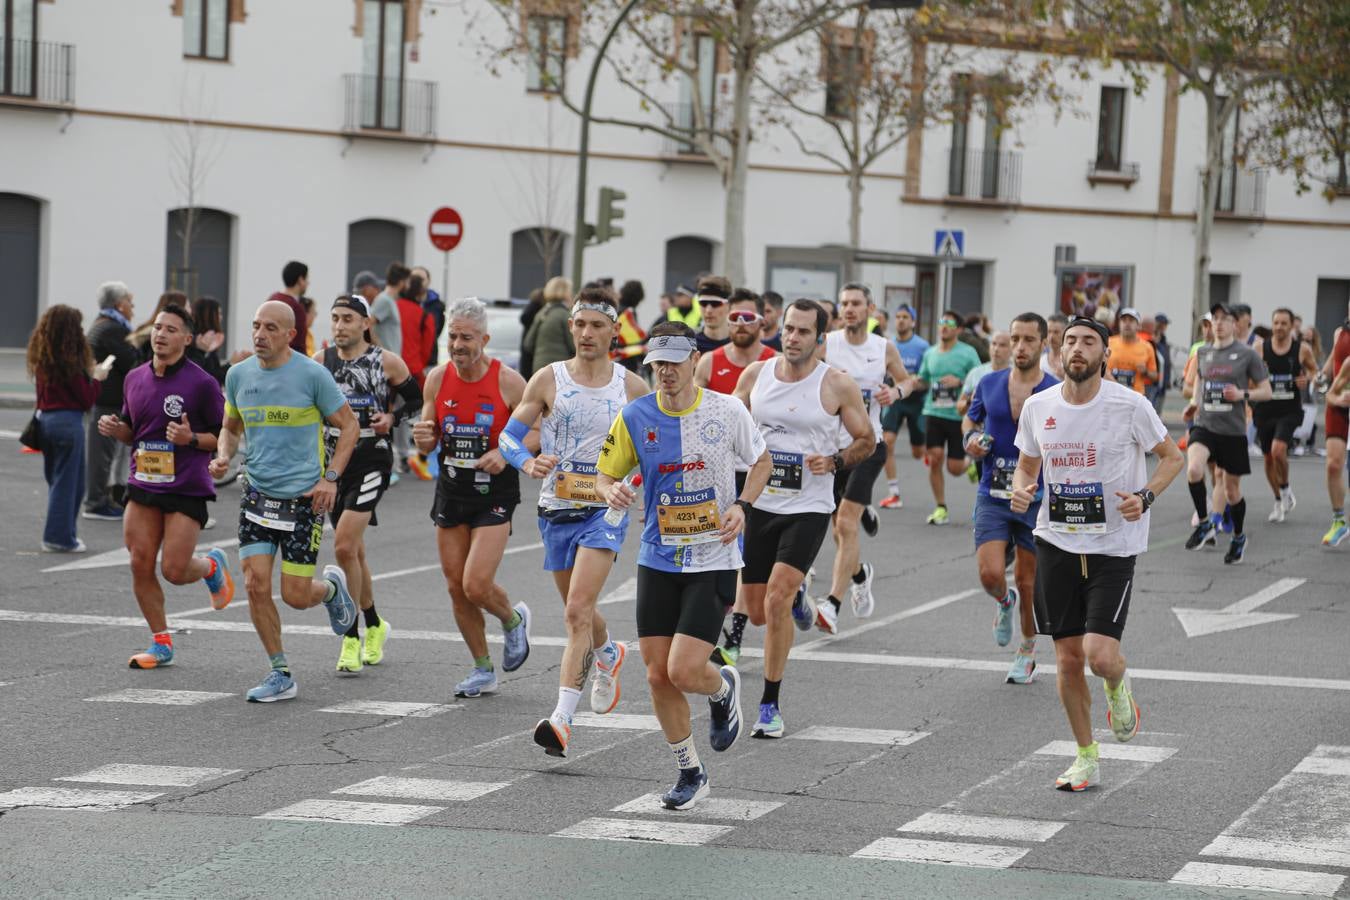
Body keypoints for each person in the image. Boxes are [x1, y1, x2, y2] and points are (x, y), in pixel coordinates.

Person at [596, 321, 771, 810]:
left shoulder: (727, 409)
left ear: (695, 359)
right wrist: (610, 491)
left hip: (713, 556)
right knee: (657, 676)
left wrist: (743, 506)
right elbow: (604, 475)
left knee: (684, 669)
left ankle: (721, 687)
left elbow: (761, 461)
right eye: (657, 364)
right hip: (658, 556)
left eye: (674, 362)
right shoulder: (635, 416)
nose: (665, 372)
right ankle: (690, 771)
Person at [1010, 315, 1183, 791]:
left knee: (1100, 656)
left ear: (1105, 354)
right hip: (1056, 542)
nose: (1078, 348)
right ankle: (1086, 755)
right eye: (1070, 341)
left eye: (1089, 342)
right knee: (1068, 661)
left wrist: (1145, 496)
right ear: (1059, 350)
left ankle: (1116, 684)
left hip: (1113, 547)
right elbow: (1026, 466)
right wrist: (1022, 488)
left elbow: (1173, 458)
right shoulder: (1039, 406)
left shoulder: (1130, 406)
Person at [498, 289, 649, 755]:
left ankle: (562, 719)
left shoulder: (631, 388)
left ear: (614, 331)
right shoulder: (548, 379)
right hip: (557, 508)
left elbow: (655, 449)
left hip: (605, 511)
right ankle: (609, 652)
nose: (587, 333)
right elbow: (508, 437)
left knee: (575, 612)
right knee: (579, 610)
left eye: (597, 325)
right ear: (571, 327)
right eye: (580, 324)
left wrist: (636, 485)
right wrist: (527, 462)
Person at [733, 300, 873, 737]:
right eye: (789, 329)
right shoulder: (755, 376)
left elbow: (867, 439)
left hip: (808, 507)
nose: (792, 338)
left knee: (775, 598)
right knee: (758, 612)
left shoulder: (836, 385)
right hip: (760, 502)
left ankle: (769, 705)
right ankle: (800, 601)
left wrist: (835, 461)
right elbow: (728, 425)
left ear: (820, 338)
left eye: (803, 331)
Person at [209, 300, 361, 702]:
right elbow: (230, 427)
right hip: (257, 494)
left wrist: (331, 479)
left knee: (295, 595)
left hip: (303, 498)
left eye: (271, 328)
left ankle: (329, 591)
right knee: (255, 583)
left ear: (291, 335)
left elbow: (349, 426)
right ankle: (280, 672)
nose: (260, 335)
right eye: (256, 326)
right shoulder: (238, 375)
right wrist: (224, 455)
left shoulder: (312, 375)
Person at [96, 304, 233, 668]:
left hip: (186, 484)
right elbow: (133, 432)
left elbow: (224, 435)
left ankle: (210, 567)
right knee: (140, 562)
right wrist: (117, 429)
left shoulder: (202, 383)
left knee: (174, 570)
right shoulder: (134, 378)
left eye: (171, 329)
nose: (161, 334)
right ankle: (160, 642)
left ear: (187, 339)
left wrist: (191, 438)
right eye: (158, 327)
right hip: (144, 482)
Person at [413, 297, 532, 698]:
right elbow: (427, 435)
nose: (458, 345)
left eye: (466, 338)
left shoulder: (508, 382)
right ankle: (482, 668)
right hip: (452, 490)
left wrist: (506, 453)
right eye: (453, 337)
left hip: (494, 493)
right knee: (455, 586)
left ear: (484, 339)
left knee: (476, 584)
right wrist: (423, 438)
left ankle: (512, 620)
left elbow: (537, 431)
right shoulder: (437, 378)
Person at [316, 296, 423, 674]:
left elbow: (416, 400)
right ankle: (375, 624)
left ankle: (350, 637)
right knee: (355, 552)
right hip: (334, 463)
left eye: (348, 318)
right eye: (335, 318)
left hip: (372, 458)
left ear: (365, 323)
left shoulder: (385, 361)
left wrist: (391, 419)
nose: (339, 325)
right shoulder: (320, 362)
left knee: (344, 545)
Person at [961, 314, 1058, 684]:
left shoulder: (1055, 390)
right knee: (989, 574)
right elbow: (970, 422)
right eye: (1015, 338)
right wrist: (971, 440)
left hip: (1036, 497)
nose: (1020, 346)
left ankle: (1027, 651)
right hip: (993, 493)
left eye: (1029, 340)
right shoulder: (989, 383)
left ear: (1043, 344)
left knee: (1028, 580)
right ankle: (1004, 601)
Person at [815, 283, 913, 634]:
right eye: (844, 303)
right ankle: (859, 574)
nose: (849, 309)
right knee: (839, 531)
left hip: (868, 444)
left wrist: (895, 392)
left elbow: (907, 381)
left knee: (845, 523)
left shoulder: (883, 347)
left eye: (856, 303)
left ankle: (832, 604)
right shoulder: (827, 343)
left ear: (870, 308)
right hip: (832, 449)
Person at [1182, 303, 1273, 563]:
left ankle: (1239, 537)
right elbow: (1200, 381)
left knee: (1232, 491)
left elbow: (1266, 392)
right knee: (1194, 470)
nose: (1219, 323)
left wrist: (1242, 394)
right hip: (1205, 425)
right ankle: (1204, 523)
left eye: (1224, 319)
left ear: (1235, 324)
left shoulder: (1247, 354)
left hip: (1232, 431)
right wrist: (1194, 404)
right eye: (1215, 319)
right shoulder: (1203, 352)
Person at [29, 305, 113, 552]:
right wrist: (97, 378)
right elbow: (86, 398)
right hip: (68, 422)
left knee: (61, 482)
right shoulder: (71, 360)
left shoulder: (44, 356)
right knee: (69, 485)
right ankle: (58, 538)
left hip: (45, 421)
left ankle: (65, 535)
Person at [913, 310, 983, 525]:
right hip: (933, 412)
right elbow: (923, 379)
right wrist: (909, 383)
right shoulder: (930, 353)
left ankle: (968, 464)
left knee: (954, 468)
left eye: (949, 323)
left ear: (959, 329)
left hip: (957, 416)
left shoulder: (968, 353)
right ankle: (940, 507)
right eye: (941, 322)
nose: (943, 326)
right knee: (934, 459)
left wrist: (959, 382)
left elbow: (978, 381)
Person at [84, 281, 142, 521]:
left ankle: (101, 499)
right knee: (102, 455)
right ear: (119, 304)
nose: (133, 307)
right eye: (130, 302)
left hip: (104, 398)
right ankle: (96, 503)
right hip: (108, 401)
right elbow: (132, 362)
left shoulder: (102, 324)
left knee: (104, 454)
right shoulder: (113, 330)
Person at [1253, 308, 1317, 523]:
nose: (1279, 327)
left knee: (1278, 450)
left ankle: (1286, 487)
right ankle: (1278, 499)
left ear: (1291, 326)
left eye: (1284, 323)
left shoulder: (1302, 349)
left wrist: (1307, 378)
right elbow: (1249, 374)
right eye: (1276, 323)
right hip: (1265, 409)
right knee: (1268, 458)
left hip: (1289, 409)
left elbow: (1313, 370)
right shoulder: (1260, 348)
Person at [879, 305, 929, 509]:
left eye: (905, 317)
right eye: (898, 316)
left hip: (916, 401)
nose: (901, 320)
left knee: (918, 452)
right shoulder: (888, 345)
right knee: (887, 442)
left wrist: (918, 380)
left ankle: (925, 450)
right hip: (896, 399)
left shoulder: (922, 346)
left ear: (913, 322)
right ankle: (894, 492)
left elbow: (927, 377)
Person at [694, 290, 777, 395]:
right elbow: (691, 402)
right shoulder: (708, 362)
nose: (740, 323)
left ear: (762, 321)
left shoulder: (776, 363)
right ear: (728, 321)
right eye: (734, 318)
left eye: (748, 318)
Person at [1321, 300, 1350, 546]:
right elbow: (1334, 360)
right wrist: (1322, 376)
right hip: (1339, 403)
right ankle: (1339, 521)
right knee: (1333, 464)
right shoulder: (1340, 333)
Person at [522, 276, 575, 377]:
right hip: (560, 369)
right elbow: (574, 345)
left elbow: (528, 344)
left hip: (539, 368)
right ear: (567, 292)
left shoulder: (541, 313)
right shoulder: (565, 315)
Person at [958, 330, 1011, 417]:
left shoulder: (1016, 375)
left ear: (1012, 349)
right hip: (976, 424)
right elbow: (959, 409)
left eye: (1002, 345)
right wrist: (970, 401)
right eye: (994, 344)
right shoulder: (975, 372)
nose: (996, 349)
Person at [1106, 308, 1159, 395]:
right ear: (1119, 324)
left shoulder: (1147, 347)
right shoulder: (1108, 343)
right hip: (1111, 394)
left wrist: (1145, 372)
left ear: (1138, 325)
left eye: (1131, 320)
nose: (1127, 324)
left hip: (1135, 396)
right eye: (1124, 320)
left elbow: (1155, 376)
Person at [269, 261, 310, 354]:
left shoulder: (272, 299)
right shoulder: (296, 308)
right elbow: (298, 345)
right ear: (300, 280)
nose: (308, 283)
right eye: (307, 279)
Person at [188, 297, 231, 385]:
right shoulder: (192, 341)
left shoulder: (209, 340)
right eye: (219, 313)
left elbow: (215, 373)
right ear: (210, 316)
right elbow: (207, 375)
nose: (221, 318)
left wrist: (232, 364)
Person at [411, 265, 445, 367]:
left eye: (421, 279)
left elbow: (438, 329)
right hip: (408, 360)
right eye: (414, 279)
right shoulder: (403, 303)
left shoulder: (438, 305)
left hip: (430, 361)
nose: (418, 282)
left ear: (428, 281)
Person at [370, 263, 406, 357]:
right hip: (386, 360)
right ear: (401, 282)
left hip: (391, 359)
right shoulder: (384, 300)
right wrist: (381, 350)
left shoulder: (390, 300)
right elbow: (367, 325)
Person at [613, 279, 649, 371]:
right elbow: (635, 339)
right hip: (626, 357)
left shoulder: (616, 309)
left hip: (615, 354)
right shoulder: (628, 313)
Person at [693, 275, 734, 353]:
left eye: (715, 303)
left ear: (729, 306)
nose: (708, 310)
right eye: (703, 303)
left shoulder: (740, 345)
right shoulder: (691, 346)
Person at [1151, 313, 1173, 415]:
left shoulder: (1164, 341)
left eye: (1165, 325)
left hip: (1162, 385)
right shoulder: (1151, 340)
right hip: (1152, 384)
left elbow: (1166, 362)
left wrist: (1167, 381)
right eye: (1163, 324)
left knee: (1157, 414)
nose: (1165, 327)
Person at [1042, 313, 1067, 379]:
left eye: (1056, 332)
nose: (1051, 337)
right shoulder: (1040, 360)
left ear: (1066, 333)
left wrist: (1066, 377)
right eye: (1049, 332)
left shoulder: (1072, 360)